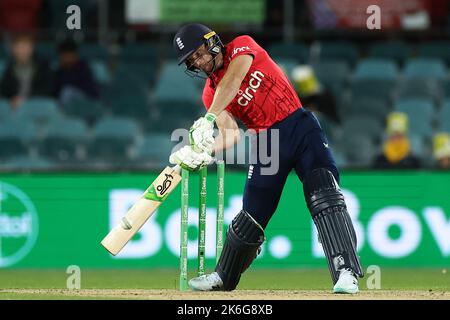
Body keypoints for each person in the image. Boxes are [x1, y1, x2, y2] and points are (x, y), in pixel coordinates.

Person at [168, 23, 363, 294]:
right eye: (192, 61)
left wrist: (208, 117)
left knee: (324, 194)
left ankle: (345, 271)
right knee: (251, 216)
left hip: (299, 125)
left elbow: (234, 79)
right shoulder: (210, 94)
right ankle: (224, 277)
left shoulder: (242, 46)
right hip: (266, 143)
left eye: (199, 54)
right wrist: (203, 150)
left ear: (212, 42)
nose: (199, 63)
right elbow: (231, 135)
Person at [0, 33, 54, 109]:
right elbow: (4, 90)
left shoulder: (43, 66)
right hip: (14, 106)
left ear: (31, 49)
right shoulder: (10, 68)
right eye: (19, 47)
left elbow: (48, 88)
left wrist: (26, 99)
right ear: (14, 50)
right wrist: (13, 98)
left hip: (38, 105)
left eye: (26, 47)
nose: (22, 51)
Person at [54, 39, 100, 105]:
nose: (63, 58)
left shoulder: (82, 67)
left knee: (67, 91)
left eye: (66, 55)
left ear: (74, 55)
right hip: (72, 103)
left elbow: (89, 90)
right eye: (62, 55)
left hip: (88, 101)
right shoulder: (60, 70)